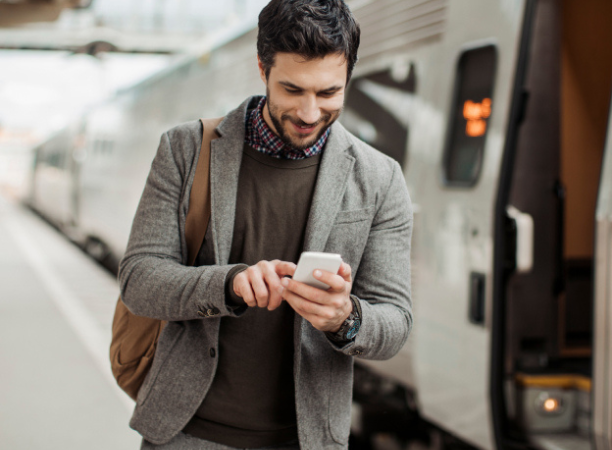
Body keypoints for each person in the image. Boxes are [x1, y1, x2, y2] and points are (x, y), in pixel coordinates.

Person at [118, 0, 413, 449]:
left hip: (306, 440)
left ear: (348, 77)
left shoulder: (380, 177)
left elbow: (395, 320)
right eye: (293, 90)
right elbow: (139, 280)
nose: (310, 112)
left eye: (329, 93)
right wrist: (231, 284)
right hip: (186, 433)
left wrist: (345, 318)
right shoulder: (185, 149)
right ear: (262, 68)